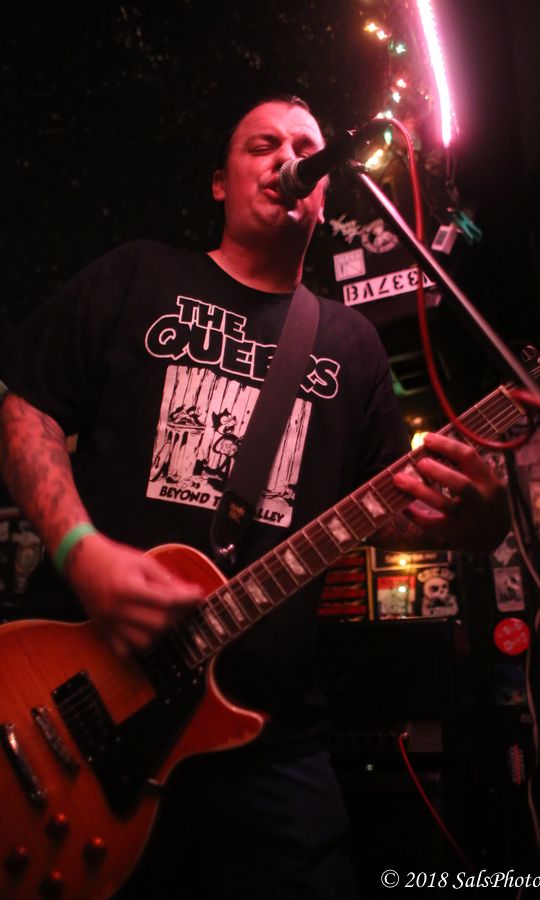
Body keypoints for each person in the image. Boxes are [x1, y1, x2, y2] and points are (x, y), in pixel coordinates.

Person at [0, 94, 509, 899]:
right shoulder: (139, 274)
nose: (287, 159)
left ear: (325, 191)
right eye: (262, 145)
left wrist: (479, 523)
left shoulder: (350, 343)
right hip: (75, 694)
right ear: (220, 182)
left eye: (305, 149)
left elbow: (395, 513)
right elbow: (25, 407)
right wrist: (80, 552)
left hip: (267, 739)